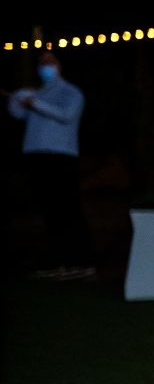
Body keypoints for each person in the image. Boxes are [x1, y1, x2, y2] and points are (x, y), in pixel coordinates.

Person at [5, 51, 91, 277]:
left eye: (50, 62)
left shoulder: (70, 92)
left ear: (60, 65)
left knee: (67, 207)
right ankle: (58, 262)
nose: (45, 66)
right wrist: (17, 99)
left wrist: (34, 103)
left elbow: (66, 115)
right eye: (42, 63)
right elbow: (17, 114)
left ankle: (81, 262)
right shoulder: (36, 93)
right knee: (49, 210)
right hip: (37, 155)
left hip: (61, 156)